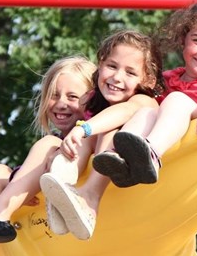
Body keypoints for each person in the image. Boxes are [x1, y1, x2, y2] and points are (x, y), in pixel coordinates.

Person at [0, 56, 96, 251]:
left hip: (74, 194)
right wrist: (22, 187)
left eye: (72, 97)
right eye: (54, 95)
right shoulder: (55, 141)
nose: (60, 103)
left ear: (92, 100)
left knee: (49, 143)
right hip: (40, 205)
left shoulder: (92, 135)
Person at [92, 0, 197, 191]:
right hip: (170, 166)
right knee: (145, 110)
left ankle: (151, 153)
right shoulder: (167, 80)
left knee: (176, 100)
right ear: (183, 39)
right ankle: (119, 157)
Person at [38, 29, 163, 240]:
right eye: (112, 66)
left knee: (105, 129)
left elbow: (122, 112)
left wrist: (83, 128)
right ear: (101, 64)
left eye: (130, 73)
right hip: (96, 155)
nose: (116, 77)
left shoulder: (145, 100)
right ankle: (63, 189)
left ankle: (89, 199)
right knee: (81, 139)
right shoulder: (93, 102)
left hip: (133, 171)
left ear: (149, 80)